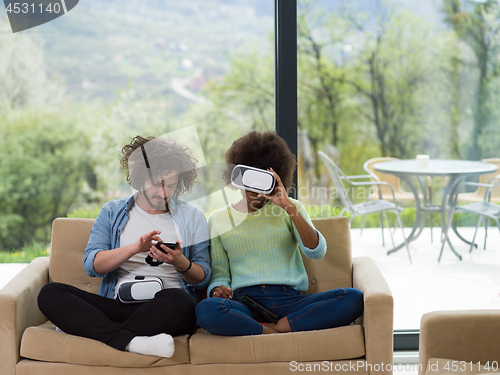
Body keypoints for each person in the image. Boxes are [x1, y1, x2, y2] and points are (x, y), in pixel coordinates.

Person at [38, 135, 211, 358]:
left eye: (171, 185)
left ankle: (90, 328)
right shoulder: (112, 212)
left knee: (179, 300)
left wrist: (180, 262)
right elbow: (93, 265)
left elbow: (203, 277)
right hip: (118, 306)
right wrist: (134, 248)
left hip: (166, 310)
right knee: (50, 293)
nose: (163, 193)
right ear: (140, 178)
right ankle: (132, 341)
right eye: (156, 184)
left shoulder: (193, 216)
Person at [195, 131, 363, 336]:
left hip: (290, 301)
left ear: (274, 179)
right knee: (206, 309)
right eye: (248, 179)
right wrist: (217, 289)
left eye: (261, 180)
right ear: (237, 177)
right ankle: (272, 328)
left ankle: (276, 328)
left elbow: (316, 251)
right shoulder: (218, 219)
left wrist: (288, 207)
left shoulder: (290, 209)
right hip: (245, 303)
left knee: (353, 297)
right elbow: (219, 274)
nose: (253, 190)